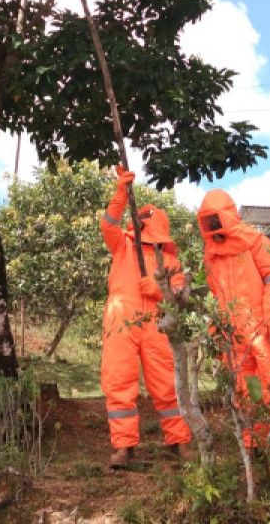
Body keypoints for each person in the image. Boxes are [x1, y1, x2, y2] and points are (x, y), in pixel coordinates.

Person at [99, 166, 192, 468]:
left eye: (140, 222)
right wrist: (121, 193)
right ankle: (123, 447)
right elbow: (108, 224)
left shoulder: (171, 260)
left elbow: (181, 298)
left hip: (156, 324)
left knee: (167, 384)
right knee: (119, 381)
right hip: (121, 320)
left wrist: (156, 289)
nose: (135, 224)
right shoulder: (123, 245)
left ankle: (179, 442)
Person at [196, 189, 270, 449]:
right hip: (233, 331)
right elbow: (215, 290)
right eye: (210, 220)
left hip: (261, 324)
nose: (214, 225)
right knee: (243, 384)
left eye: (216, 218)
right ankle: (254, 435)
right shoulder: (211, 252)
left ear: (227, 215)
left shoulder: (256, 240)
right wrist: (217, 325)